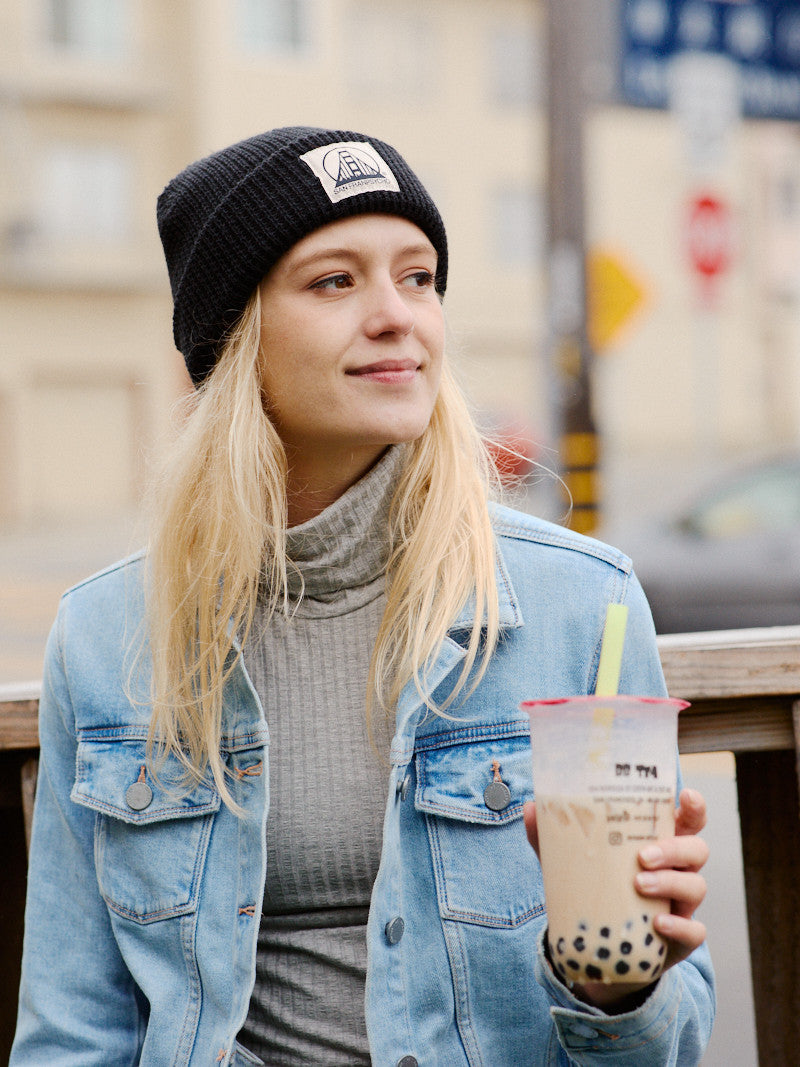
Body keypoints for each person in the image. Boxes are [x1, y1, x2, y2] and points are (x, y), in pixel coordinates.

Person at [10, 126, 714, 1066]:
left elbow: (666, 1045)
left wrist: (617, 984)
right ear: (235, 339)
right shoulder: (106, 636)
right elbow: (71, 1027)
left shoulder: (582, 605)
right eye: (335, 281)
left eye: (418, 277)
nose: (398, 317)